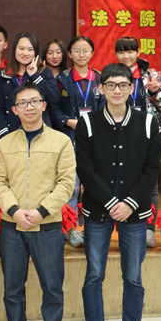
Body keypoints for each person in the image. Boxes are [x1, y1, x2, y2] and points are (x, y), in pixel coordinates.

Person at [74, 63, 161, 321]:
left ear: (131, 88)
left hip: (134, 212)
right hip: (98, 211)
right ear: (101, 89)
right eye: (110, 85)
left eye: (123, 85)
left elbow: (151, 170)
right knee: (94, 274)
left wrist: (130, 203)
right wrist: (112, 203)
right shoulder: (87, 123)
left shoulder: (147, 122)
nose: (116, 90)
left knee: (133, 276)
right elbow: (85, 169)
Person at [0, 82, 75, 321]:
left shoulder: (61, 141)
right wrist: (14, 211)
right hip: (12, 225)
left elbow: (66, 183)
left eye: (34, 102)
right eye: (23, 103)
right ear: (14, 110)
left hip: (47, 225)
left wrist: (42, 211)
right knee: (12, 287)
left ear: (43, 105)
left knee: (52, 287)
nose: (29, 107)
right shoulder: (5, 143)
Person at [115, 36, 161, 249]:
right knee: (122, 182)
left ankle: (149, 229)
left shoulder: (151, 75)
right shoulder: (112, 75)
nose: (126, 56)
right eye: (121, 51)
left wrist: (155, 92)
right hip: (120, 137)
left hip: (150, 136)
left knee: (151, 185)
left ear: (138, 52)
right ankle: (127, 228)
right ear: (116, 54)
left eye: (130, 51)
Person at [55, 36, 102, 248]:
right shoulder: (62, 79)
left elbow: (107, 106)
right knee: (71, 185)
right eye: (77, 51)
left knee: (93, 185)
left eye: (85, 50)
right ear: (70, 54)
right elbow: (54, 108)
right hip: (69, 135)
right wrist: (69, 121)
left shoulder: (100, 78)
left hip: (96, 137)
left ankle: (94, 228)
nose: (81, 55)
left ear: (92, 53)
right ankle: (71, 227)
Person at [0, 33, 61, 141]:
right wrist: (4, 135)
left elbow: (54, 99)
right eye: (21, 49)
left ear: (35, 52)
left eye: (30, 49)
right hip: (12, 134)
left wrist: (35, 75)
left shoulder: (44, 72)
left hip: (41, 135)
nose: (25, 53)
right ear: (14, 50)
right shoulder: (3, 75)